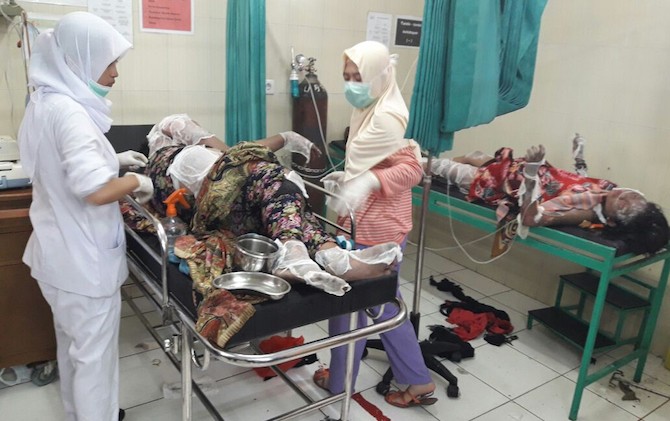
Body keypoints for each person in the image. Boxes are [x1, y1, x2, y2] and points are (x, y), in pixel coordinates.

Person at [17, 12, 153, 421]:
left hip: (56, 257)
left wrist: (113, 159)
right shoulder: (72, 113)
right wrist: (136, 182)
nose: (114, 73)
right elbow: (94, 191)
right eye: (109, 62)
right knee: (94, 360)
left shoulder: (45, 101)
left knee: (74, 349)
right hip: (83, 266)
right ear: (80, 60)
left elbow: (57, 162)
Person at [143, 114, 402, 296]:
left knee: (276, 195)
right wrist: (277, 141)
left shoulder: (202, 159)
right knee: (275, 177)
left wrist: (285, 139)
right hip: (183, 172)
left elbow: (237, 157)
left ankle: (329, 254)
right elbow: (229, 153)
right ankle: (306, 254)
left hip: (210, 202)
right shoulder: (167, 137)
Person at [314, 40, 438, 408]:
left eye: (359, 77)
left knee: (350, 307)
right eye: (347, 77)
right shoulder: (368, 111)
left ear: (379, 75)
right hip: (362, 226)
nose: (352, 85)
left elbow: (412, 169)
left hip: (379, 232)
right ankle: (416, 380)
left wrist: (369, 181)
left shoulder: (387, 117)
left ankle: (340, 382)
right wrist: (348, 180)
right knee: (382, 304)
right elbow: (370, 161)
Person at [430, 144, 670, 254]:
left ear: (613, 221)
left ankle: (424, 168)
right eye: (631, 194)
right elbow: (580, 183)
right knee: (474, 155)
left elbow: (531, 218)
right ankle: (429, 171)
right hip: (514, 170)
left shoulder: (585, 213)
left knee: (440, 166)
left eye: (623, 203)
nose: (621, 194)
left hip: (503, 184)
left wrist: (531, 174)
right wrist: (579, 158)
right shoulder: (607, 193)